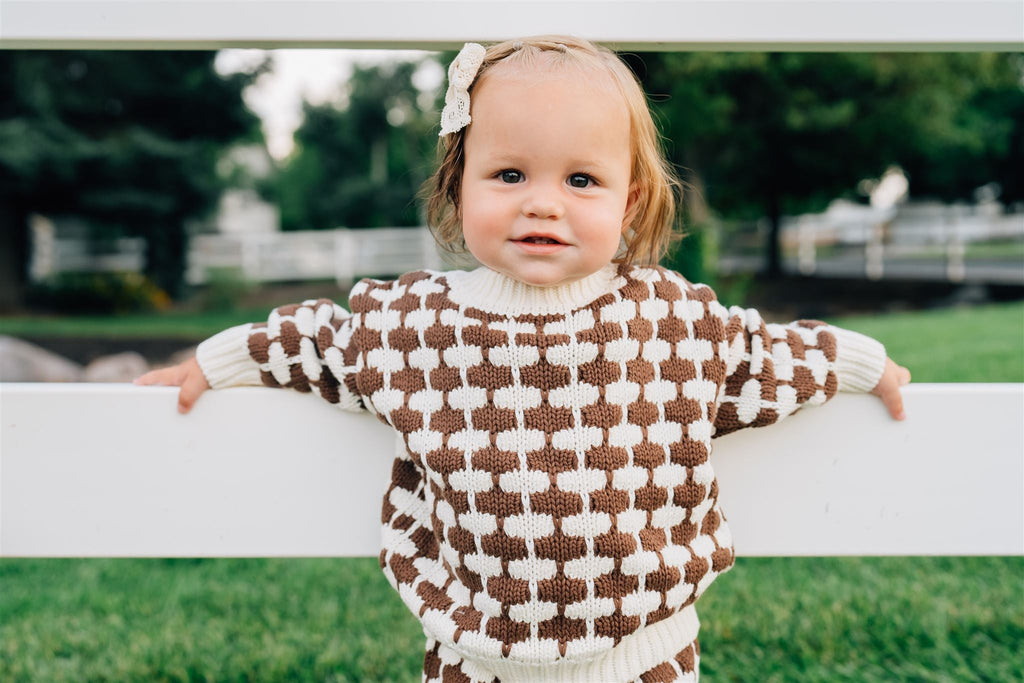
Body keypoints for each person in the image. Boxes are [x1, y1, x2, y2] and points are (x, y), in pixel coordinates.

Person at [135, 36, 911, 683]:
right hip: (475, 656)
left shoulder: (667, 317)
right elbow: (320, 340)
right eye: (509, 175)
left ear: (629, 203)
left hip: (648, 653)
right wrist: (220, 358)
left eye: (581, 180)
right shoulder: (416, 323)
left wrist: (861, 361)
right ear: (458, 183)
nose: (544, 202)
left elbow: (758, 357)